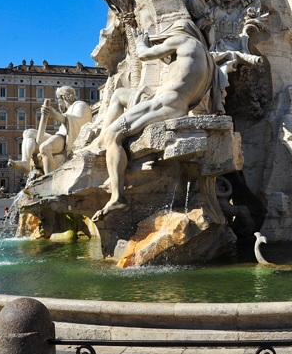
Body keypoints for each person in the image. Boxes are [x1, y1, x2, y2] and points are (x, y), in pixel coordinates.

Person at [95, 20, 223, 220]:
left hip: (164, 103)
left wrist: (140, 41)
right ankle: (103, 146)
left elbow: (144, 54)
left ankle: (118, 196)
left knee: (113, 135)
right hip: (175, 105)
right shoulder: (207, 59)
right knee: (120, 94)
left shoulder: (182, 40)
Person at [8, 86, 92, 175]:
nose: (59, 103)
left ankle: (49, 178)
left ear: (63, 97)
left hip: (67, 138)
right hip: (60, 136)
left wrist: (55, 115)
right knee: (28, 132)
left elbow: (80, 122)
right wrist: (50, 113)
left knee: (45, 147)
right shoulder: (68, 110)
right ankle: (25, 162)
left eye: (58, 99)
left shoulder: (80, 105)